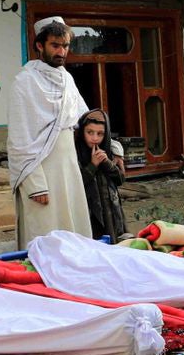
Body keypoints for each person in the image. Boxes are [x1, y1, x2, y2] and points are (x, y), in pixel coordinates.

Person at [7, 16, 92, 249]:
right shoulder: (24, 82)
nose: (62, 52)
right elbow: (19, 138)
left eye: (65, 46)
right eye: (55, 45)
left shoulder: (67, 79)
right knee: (45, 238)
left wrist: (111, 146)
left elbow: (84, 120)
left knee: (74, 238)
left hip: (68, 169)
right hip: (41, 173)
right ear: (39, 46)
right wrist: (35, 184)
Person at [74, 109, 129, 242]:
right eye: (90, 132)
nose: (95, 138)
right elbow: (76, 184)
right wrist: (92, 165)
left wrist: (107, 163)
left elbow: (120, 179)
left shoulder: (110, 151)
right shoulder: (76, 153)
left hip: (112, 210)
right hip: (90, 212)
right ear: (82, 132)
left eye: (100, 134)